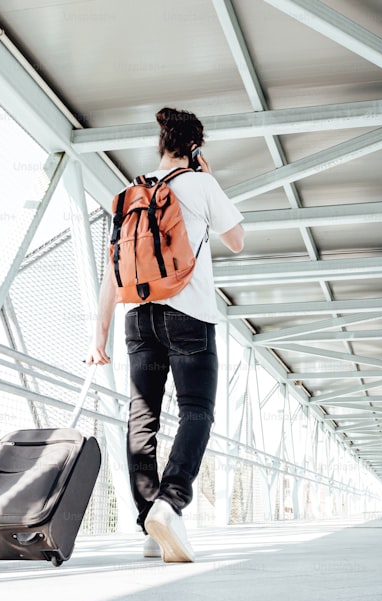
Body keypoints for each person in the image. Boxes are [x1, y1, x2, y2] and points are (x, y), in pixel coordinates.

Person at [86, 107, 244, 562]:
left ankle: (149, 524)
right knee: (196, 410)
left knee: (143, 418)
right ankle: (170, 503)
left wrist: (99, 337)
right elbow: (237, 240)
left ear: (160, 146)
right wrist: (208, 181)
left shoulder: (128, 194)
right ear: (194, 149)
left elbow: (112, 273)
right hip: (188, 316)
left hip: (138, 317)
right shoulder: (201, 184)